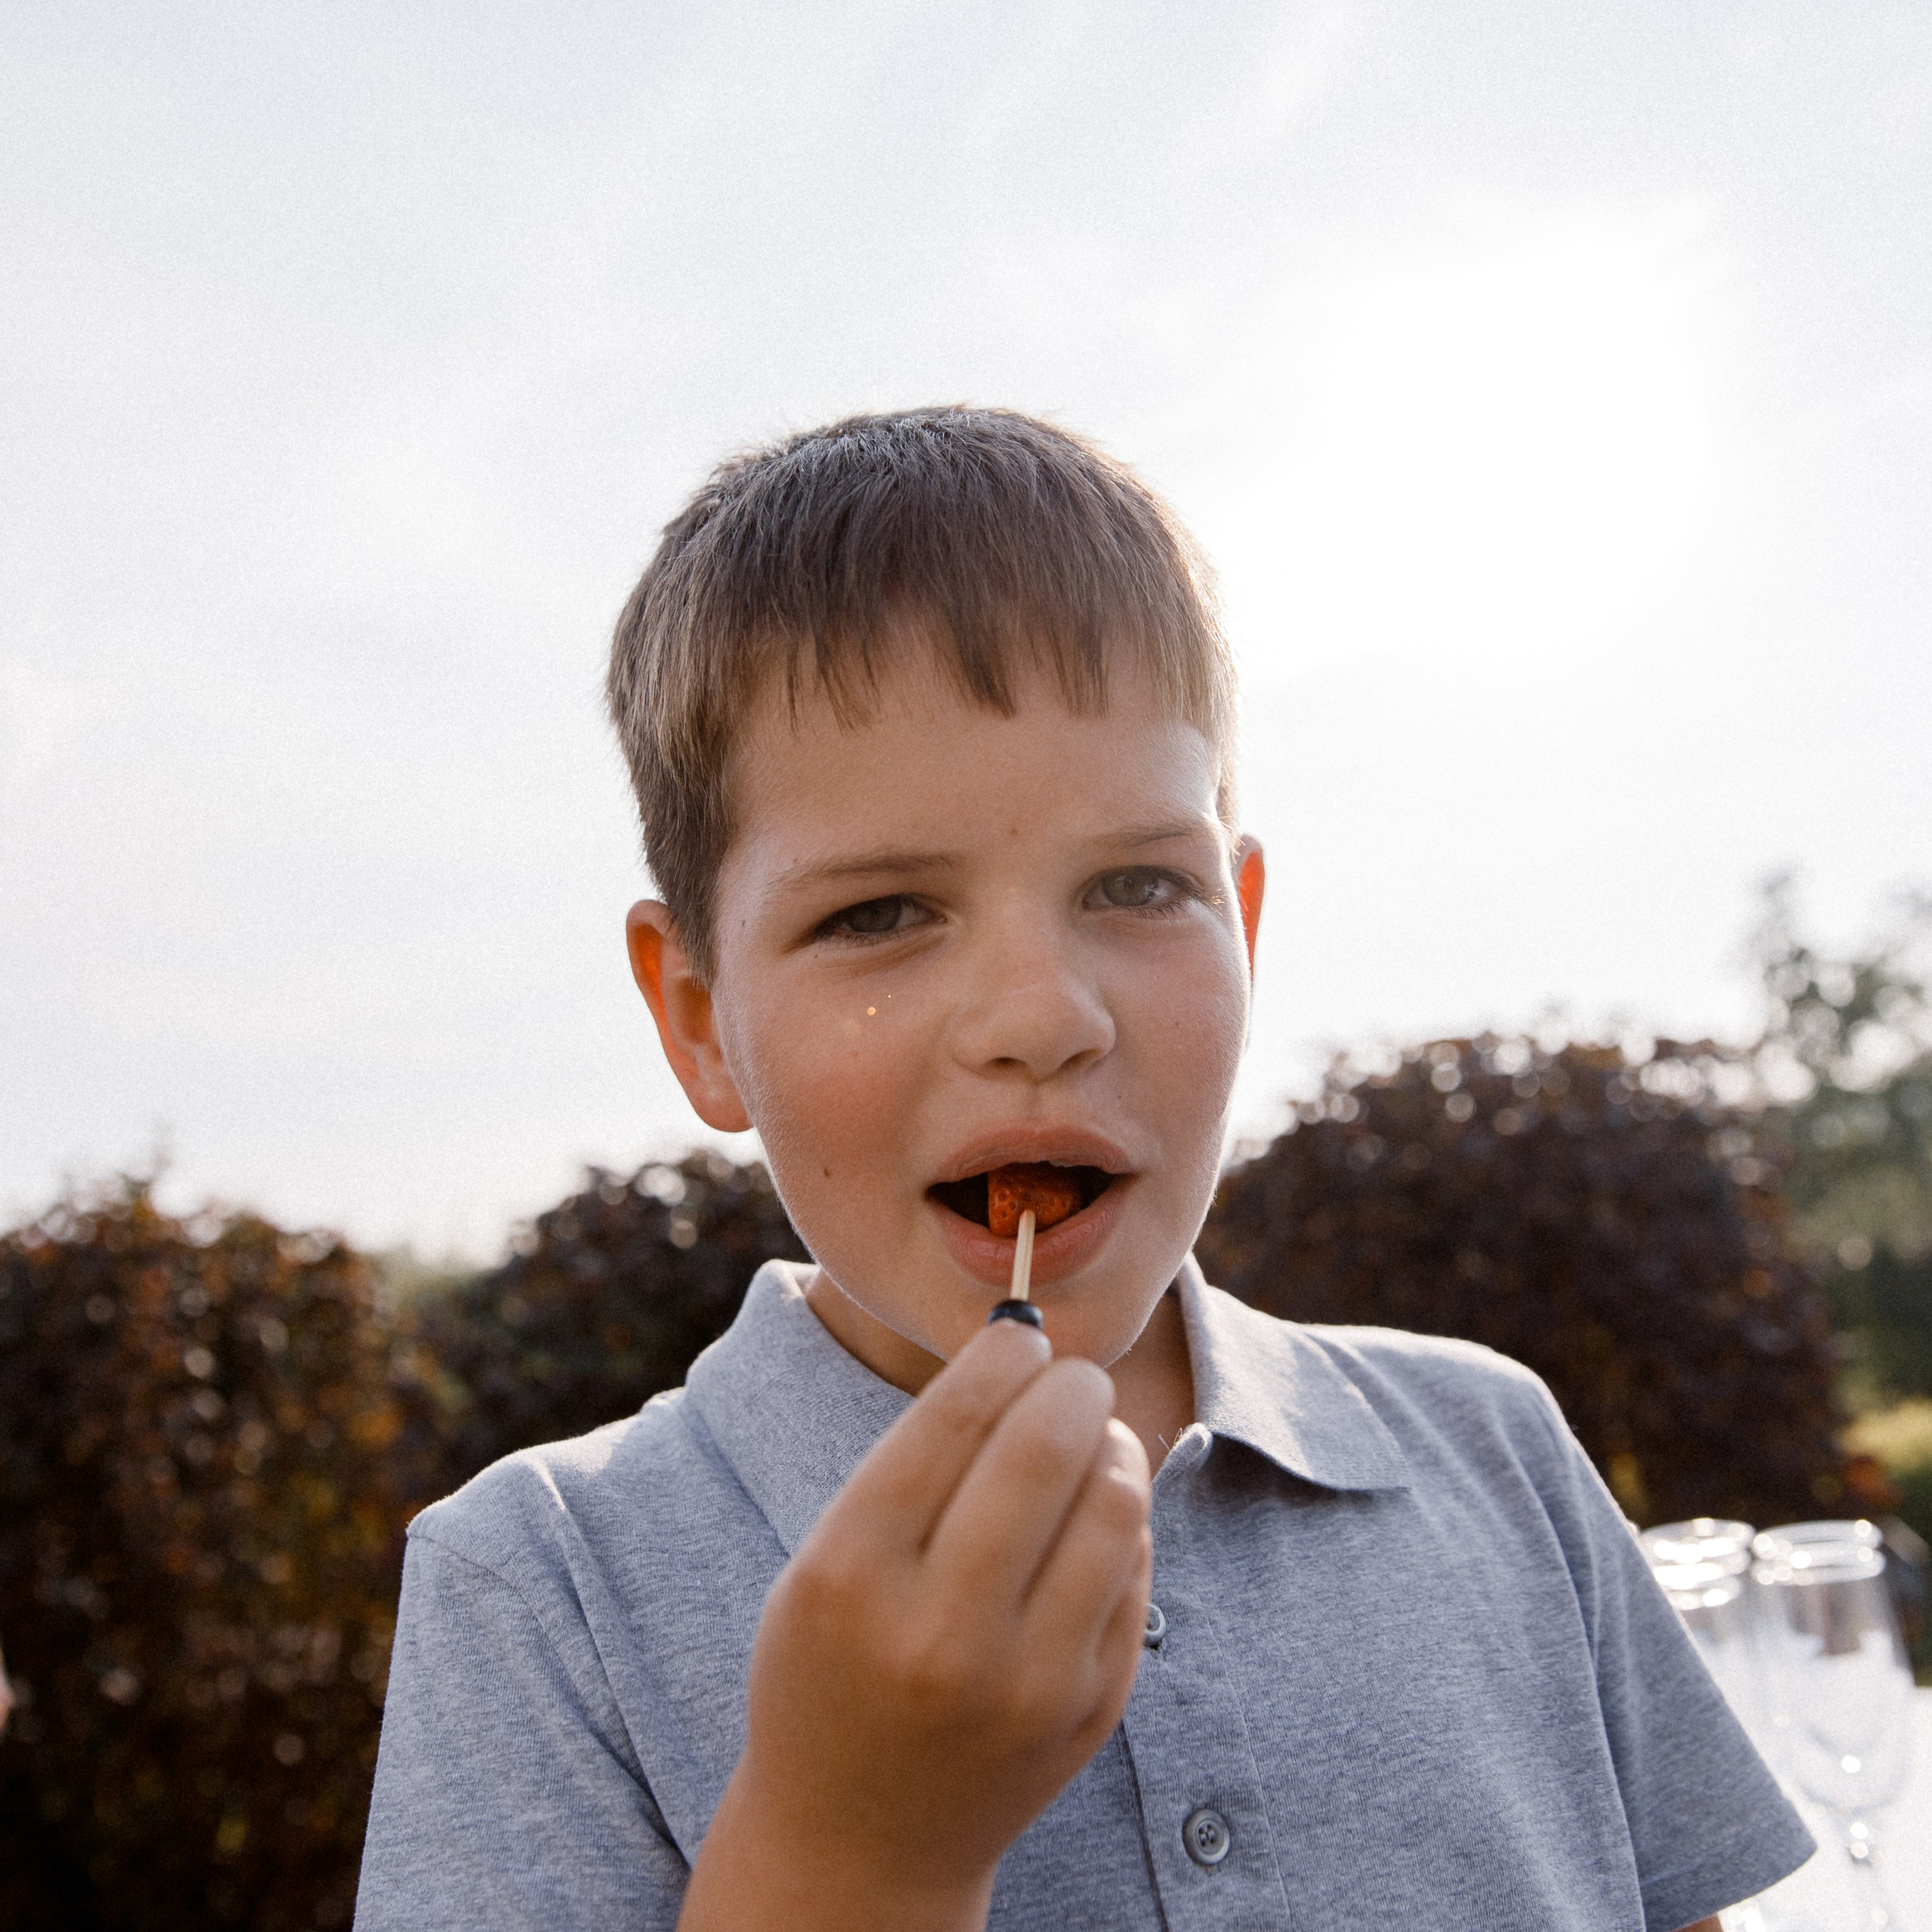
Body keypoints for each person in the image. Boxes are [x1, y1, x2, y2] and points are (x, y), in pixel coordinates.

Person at [354, 408, 1814, 1930]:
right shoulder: (542, 1589)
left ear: (1243, 926)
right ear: (700, 1018)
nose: (1042, 1016)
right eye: (877, 915)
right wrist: (854, 1852)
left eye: (1138, 885)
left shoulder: (1492, 1451)